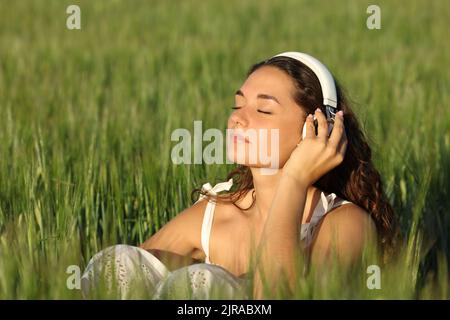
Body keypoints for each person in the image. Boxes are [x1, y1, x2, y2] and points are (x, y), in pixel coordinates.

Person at [81, 52, 398, 299]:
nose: (238, 120)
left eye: (263, 110)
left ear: (315, 128)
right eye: (238, 105)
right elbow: (125, 278)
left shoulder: (344, 224)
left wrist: (295, 179)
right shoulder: (216, 214)